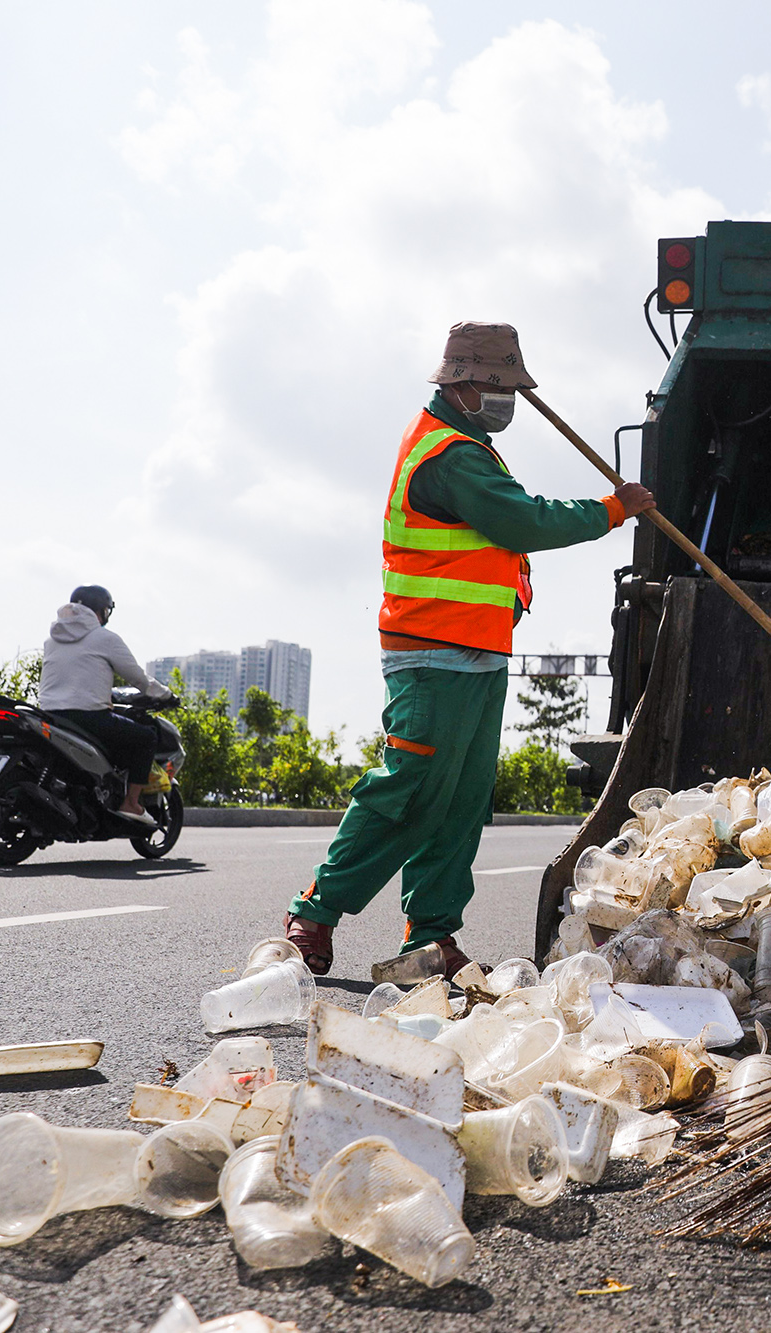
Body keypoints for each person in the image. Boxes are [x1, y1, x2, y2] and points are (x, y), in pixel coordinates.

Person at [282, 322, 654, 981]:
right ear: (463, 384)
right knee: (412, 786)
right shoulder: (449, 455)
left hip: (475, 652)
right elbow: (523, 521)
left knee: (459, 801)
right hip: (431, 652)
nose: (508, 398)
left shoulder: (470, 446)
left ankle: (429, 936)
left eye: (511, 387)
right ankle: (315, 910)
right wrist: (612, 509)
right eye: (500, 386)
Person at [37, 585, 177, 825]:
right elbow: (138, 678)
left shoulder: (52, 640)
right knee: (145, 738)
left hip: (49, 716)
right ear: (102, 611)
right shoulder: (105, 638)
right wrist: (166, 695)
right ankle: (131, 803)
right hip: (89, 718)